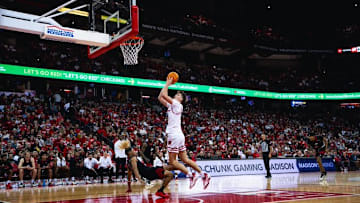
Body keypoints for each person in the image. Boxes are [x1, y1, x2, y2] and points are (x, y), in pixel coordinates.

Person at [158, 77, 210, 189]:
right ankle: (203, 174)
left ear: (181, 99)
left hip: (174, 135)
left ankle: (191, 175)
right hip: (179, 135)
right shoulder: (173, 105)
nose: (176, 95)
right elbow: (160, 97)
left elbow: (164, 95)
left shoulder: (177, 104)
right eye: (176, 94)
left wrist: (167, 83)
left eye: (178, 95)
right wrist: (167, 85)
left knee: (173, 161)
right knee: (185, 159)